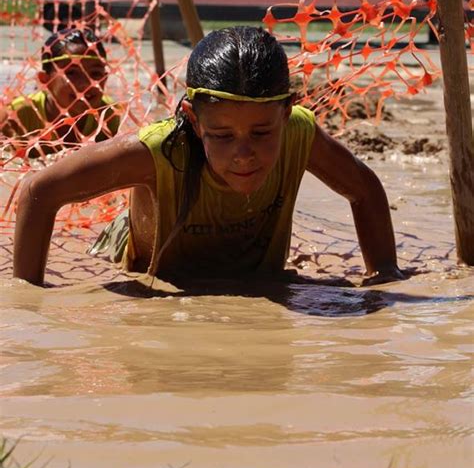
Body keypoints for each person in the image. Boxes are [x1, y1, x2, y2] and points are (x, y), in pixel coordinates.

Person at [13, 26, 404, 287]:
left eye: (262, 132)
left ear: (285, 113)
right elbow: (38, 190)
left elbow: (365, 189)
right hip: (136, 261)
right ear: (193, 121)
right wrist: (32, 298)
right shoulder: (157, 152)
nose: (244, 154)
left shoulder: (299, 132)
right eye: (221, 136)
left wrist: (384, 274)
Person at [0, 27, 120, 156]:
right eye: (71, 73)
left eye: (95, 73)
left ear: (105, 79)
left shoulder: (108, 114)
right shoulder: (16, 115)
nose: (85, 84)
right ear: (45, 80)